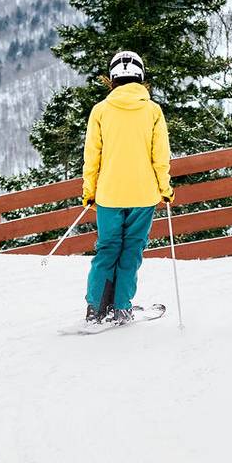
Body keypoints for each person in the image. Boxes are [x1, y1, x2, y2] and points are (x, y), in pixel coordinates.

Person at [81, 49, 172, 327]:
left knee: (107, 249)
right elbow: (161, 156)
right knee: (131, 250)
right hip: (143, 195)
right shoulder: (153, 111)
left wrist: (89, 191)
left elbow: (92, 156)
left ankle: (96, 308)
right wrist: (165, 188)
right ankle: (121, 307)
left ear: (112, 77)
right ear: (141, 76)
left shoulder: (100, 111)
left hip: (109, 194)